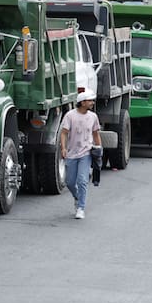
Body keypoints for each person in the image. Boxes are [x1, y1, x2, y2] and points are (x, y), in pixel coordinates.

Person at [60, 90, 102, 219]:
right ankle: (77, 197)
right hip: (72, 153)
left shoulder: (93, 116)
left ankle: (81, 208)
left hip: (86, 153)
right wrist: (63, 148)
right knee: (70, 182)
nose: (92, 103)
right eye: (90, 100)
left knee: (82, 180)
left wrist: (99, 148)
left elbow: (95, 134)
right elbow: (64, 133)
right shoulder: (70, 116)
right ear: (82, 102)